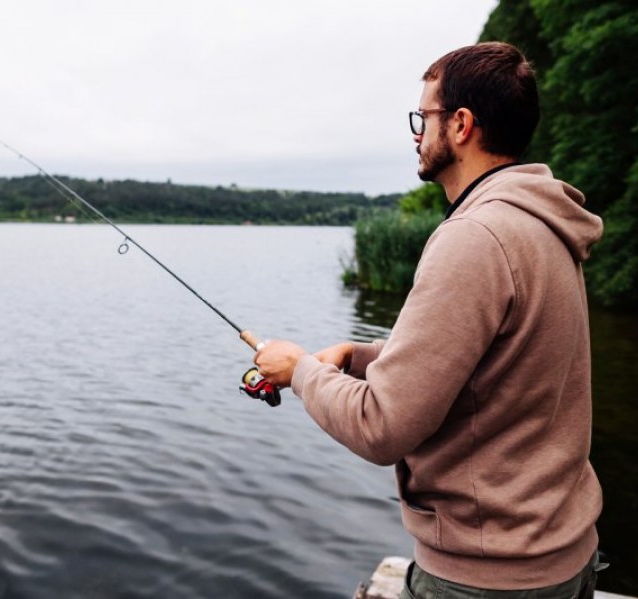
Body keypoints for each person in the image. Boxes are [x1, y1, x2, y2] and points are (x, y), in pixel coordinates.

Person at [254, 42, 606, 597]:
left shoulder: (475, 238)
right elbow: (499, 366)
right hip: (563, 557)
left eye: (425, 117)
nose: (417, 134)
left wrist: (299, 370)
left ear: (461, 125)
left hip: (488, 578)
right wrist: (359, 356)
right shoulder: (544, 224)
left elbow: (381, 428)